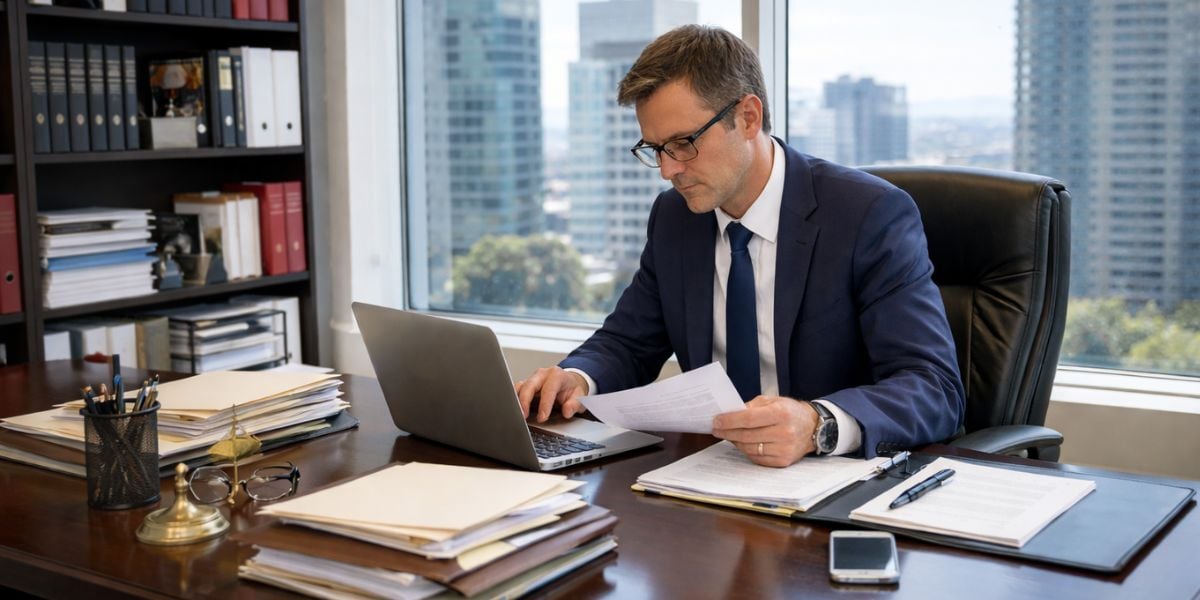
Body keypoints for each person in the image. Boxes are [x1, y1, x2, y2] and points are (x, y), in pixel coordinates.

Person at [515, 25, 964, 467]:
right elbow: (628, 342)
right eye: (654, 148)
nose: (667, 171)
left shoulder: (868, 215)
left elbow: (933, 387)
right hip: (713, 471)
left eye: (683, 143)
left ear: (748, 117)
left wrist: (817, 424)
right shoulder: (675, 218)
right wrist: (576, 378)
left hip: (833, 479)